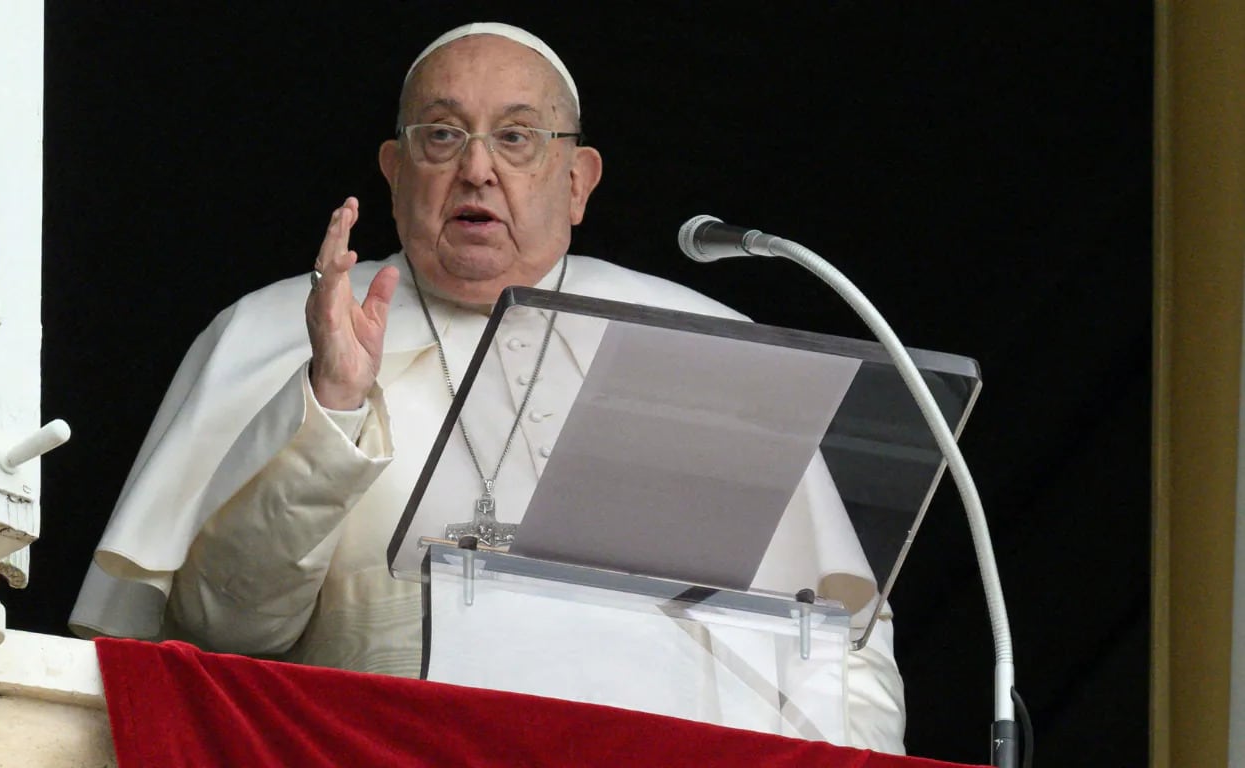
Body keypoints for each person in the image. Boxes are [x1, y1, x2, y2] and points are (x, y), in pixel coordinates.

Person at [70, 22, 905, 752]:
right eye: (442, 135)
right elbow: (214, 640)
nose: (476, 168)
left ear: (577, 181)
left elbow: (840, 644)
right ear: (396, 172)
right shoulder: (275, 329)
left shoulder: (705, 343)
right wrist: (331, 405)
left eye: (517, 138)